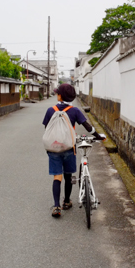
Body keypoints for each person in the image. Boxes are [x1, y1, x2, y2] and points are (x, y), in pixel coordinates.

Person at [43, 83, 105, 218]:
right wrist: (99, 137)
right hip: (69, 147)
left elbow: (47, 129)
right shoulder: (75, 111)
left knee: (57, 176)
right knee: (68, 175)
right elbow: (88, 127)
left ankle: (56, 206)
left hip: (54, 149)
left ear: (60, 96)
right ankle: (66, 201)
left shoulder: (50, 110)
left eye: (57, 93)